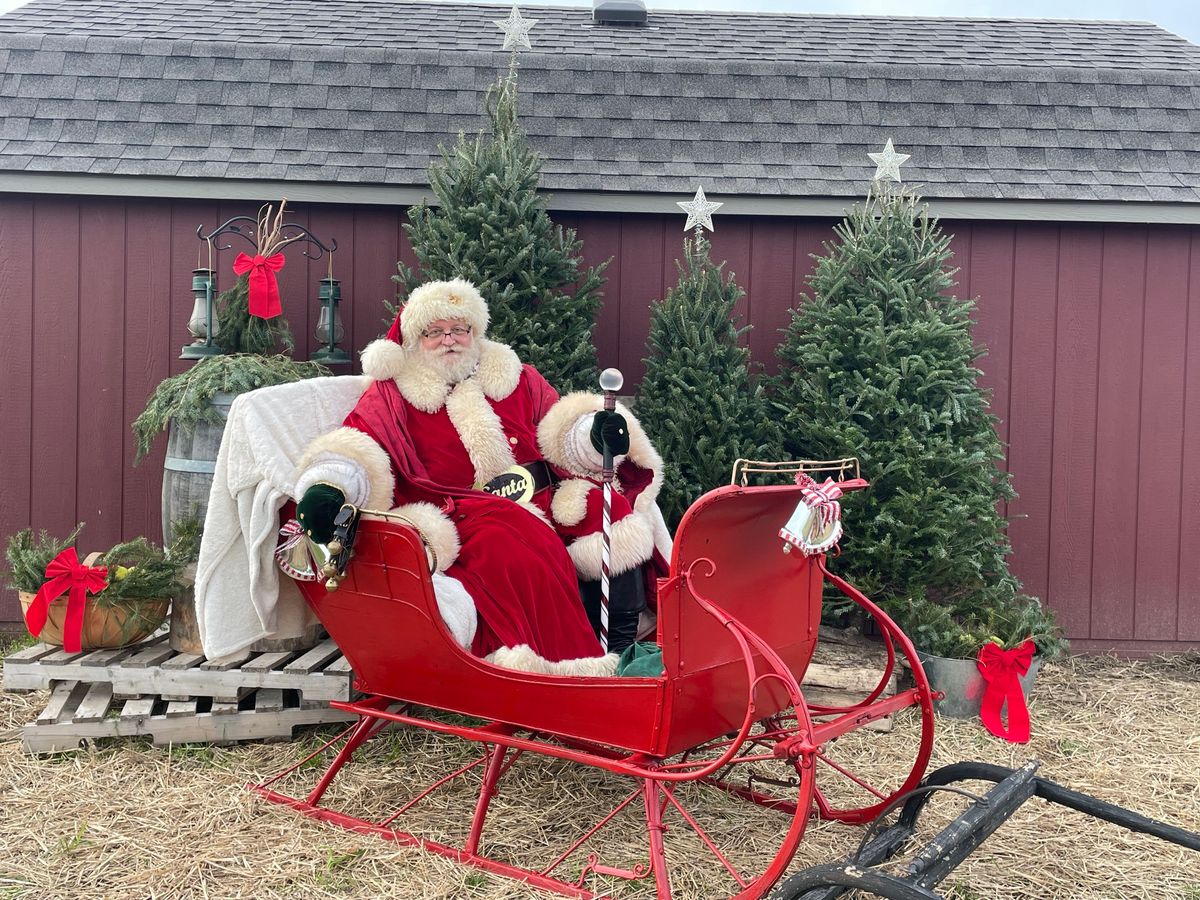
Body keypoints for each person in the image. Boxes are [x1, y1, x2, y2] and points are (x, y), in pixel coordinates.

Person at [293, 278, 667, 674]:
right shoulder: (393, 394)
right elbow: (356, 448)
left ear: (475, 331)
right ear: (414, 340)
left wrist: (593, 434)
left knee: (608, 509)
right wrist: (328, 486)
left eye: (459, 329)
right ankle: (561, 663)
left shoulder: (516, 377)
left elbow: (558, 431)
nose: (449, 340)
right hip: (461, 511)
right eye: (434, 332)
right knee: (510, 540)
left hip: (543, 494)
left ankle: (621, 647)